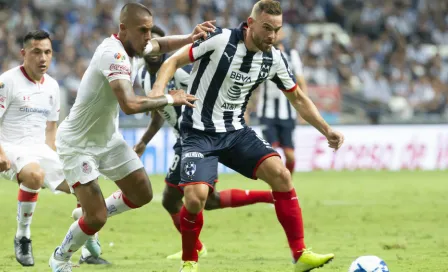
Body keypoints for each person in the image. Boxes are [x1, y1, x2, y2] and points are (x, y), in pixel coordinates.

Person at [150, 1, 344, 271]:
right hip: (198, 132)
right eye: (266, 28)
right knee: (195, 199)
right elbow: (173, 61)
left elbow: (298, 98)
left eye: (277, 30)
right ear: (250, 23)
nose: (272, 36)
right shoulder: (219, 39)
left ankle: (300, 254)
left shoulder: (274, 58)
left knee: (282, 175)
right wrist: (160, 91)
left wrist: (326, 129)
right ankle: (190, 262)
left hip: (235, 132)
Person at [48, 3, 215, 271]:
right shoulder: (112, 54)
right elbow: (129, 104)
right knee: (98, 219)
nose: (148, 37)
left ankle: (88, 214)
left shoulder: (136, 45)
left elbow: (160, 44)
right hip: (78, 144)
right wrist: (171, 98)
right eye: (143, 31)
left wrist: (189, 38)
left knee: (142, 193)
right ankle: (60, 256)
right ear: (123, 28)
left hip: (107, 140)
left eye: (150, 30)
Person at [130, 25, 274, 260]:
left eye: (157, 43)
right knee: (201, 200)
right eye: (149, 44)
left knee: (176, 199)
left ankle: (195, 248)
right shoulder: (144, 76)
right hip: (184, 138)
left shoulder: (180, 72)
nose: (153, 49)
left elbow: (208, 88)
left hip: (197, 135)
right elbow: (159, 111)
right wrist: (145, 140)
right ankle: (266, 198)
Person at [0, 30, 108, 267]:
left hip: (39, 149)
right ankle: (23, 236)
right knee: (35, 174)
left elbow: (51, 128)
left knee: (85, 181)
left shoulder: (52, 86)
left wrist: (57, 159)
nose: (43, 58)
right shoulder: (7, 81)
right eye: (36, 52)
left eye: (47, 52)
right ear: (23, 53)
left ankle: (89, 245)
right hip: (10, 147)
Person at [256, 42, 308, 175]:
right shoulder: (259, 52)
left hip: (287, 113)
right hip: (267, 112)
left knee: (290, 155)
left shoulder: (292, 54)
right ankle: (277, 184)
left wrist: (304, 110)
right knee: (270, 154)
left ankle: (287, 182)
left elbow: (301, 82)